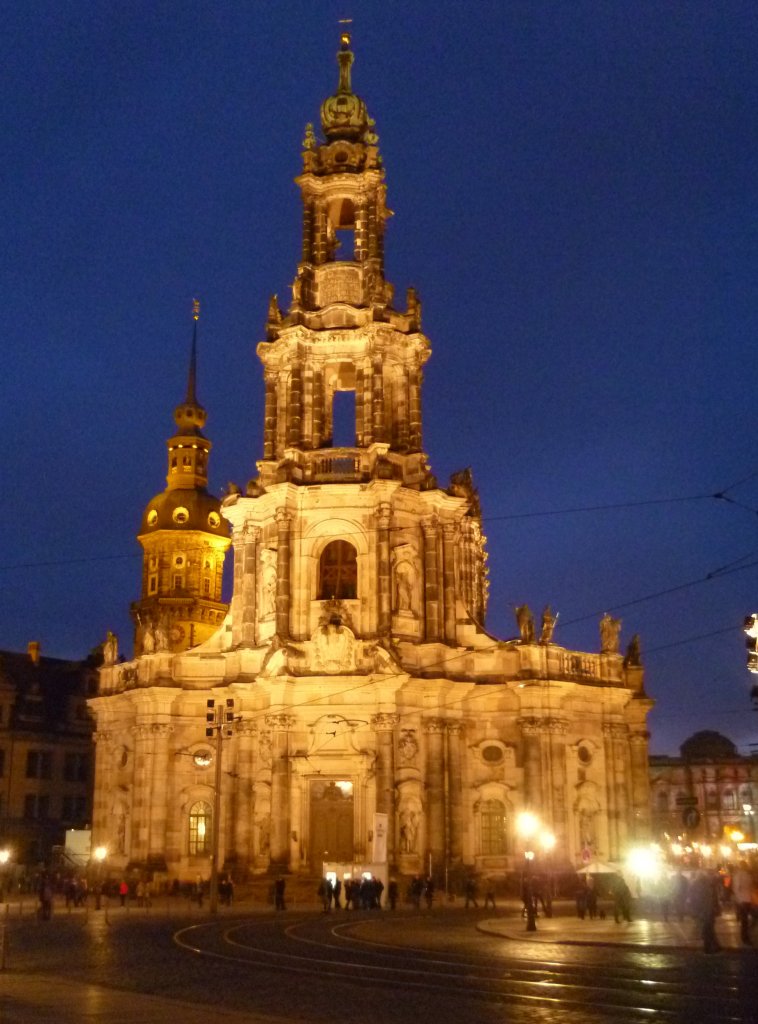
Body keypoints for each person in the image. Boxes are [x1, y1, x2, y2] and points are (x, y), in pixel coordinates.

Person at [689, 868, 722, 953]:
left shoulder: (695, 885)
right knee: (709, 928)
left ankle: (708, 948)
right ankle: (714, 947)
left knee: (706, 929)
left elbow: (694, 899)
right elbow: (714, 898)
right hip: (709, 910)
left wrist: (694, 910)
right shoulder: (709, 885)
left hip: (702, 910)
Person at [731, 860, 754, 946]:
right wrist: (739, 900)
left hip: (746, 899)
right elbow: (736, 888)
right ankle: (745, 937)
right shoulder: (740, 875)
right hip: (744, 899)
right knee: (745, 920)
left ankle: (746, 936)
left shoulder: (745, 875)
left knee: (747, 919)